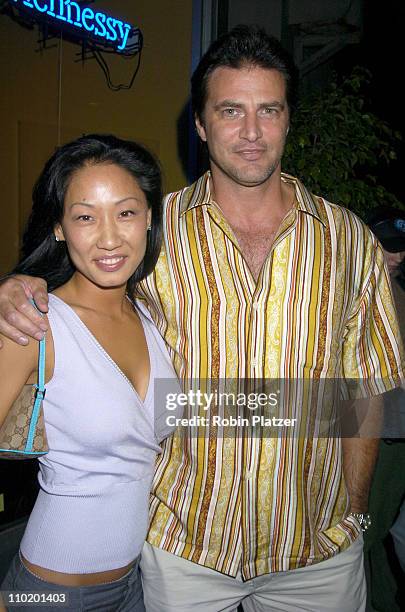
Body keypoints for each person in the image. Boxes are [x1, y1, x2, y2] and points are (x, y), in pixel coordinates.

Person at [0, 25, 404, 612]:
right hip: (183, 550)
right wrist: (21, 285)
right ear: (199, 122)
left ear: (289, 118)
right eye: (230, 110)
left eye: (269, 110)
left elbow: (361, 391)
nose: (250, 132)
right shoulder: (150, 230)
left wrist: (353, 513)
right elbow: (85, 274)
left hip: (316, 552)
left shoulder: (349, 242)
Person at [0, 134, 180, 611]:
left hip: (137, 584)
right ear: (59, 228)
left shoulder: (155, 320)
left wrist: (333, 412)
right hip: (51, 593)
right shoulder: (34, 324)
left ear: (148, 219)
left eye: (125, 212)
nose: (108, 237)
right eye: (85, 216)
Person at [364, 207, 405, 611]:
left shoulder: (398, 293)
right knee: (363, 528)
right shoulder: (353, 289)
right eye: (389, 248)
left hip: (393, 432)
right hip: (364, 428)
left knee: (372, 529)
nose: (397, 256)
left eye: (401, 250)